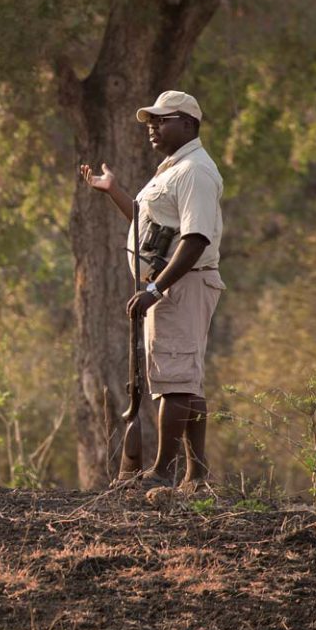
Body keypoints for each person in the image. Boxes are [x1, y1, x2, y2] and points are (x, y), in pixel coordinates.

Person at [77, 90, 225, 490]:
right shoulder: (174, 168)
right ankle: (197, 475)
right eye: (151, 122)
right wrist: (114, 191)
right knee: (184, 381)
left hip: (181, 286)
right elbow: (150, 227)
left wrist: (156, 289)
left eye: (163, 120)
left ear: (189, 124)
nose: (153, 128)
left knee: (173, 381)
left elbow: (195, 241)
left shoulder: (195, 170)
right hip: (173, 286)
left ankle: (160, 472)